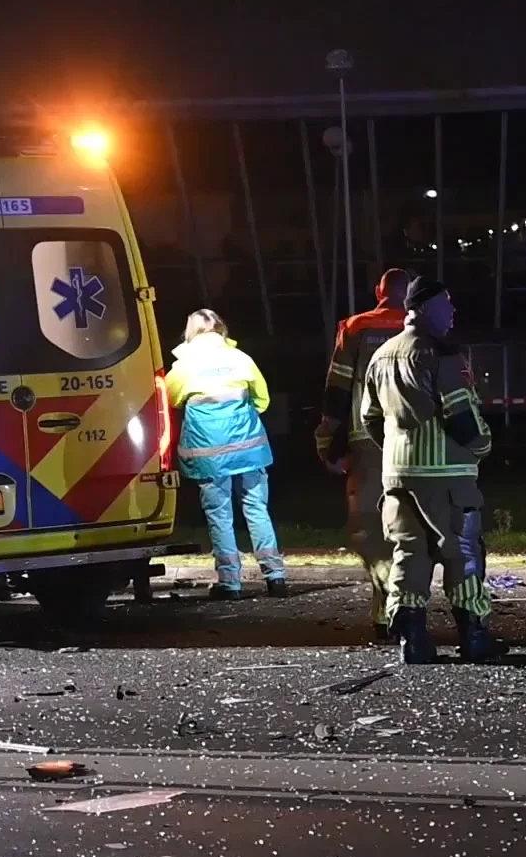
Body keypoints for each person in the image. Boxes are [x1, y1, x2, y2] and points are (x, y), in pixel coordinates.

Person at [360, 277, 495, 664]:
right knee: (463, 554)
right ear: (427, 308)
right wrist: (482, 445)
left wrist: (397, 451)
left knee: (409, 554)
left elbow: (369, 417)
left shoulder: (381, 354)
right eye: (446, 304)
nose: (452, 312)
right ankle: (474, 637)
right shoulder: (443, 354)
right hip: (448, 477)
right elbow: (460, 414)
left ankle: (412, 641)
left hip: (398, 477)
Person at [317, 267, 413, 642]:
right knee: (410, 530)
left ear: (379, 291)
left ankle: (388, 608)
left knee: (371, 530)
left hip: (368, 443)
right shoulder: (425, 327)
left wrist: (327, 441)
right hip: (418, 445)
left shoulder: (356, 328)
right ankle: (405, 609)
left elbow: (337, 388)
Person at [164, 309, 287, 601]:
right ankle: (276, 578)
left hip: (209, 454)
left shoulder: (184, 367)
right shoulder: (241, 359)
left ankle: (230, 583)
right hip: (249, 450)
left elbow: (169, 400)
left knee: (220, 517)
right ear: (221, 329)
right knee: (257, 510)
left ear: (191, 333)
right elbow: (262, 400)